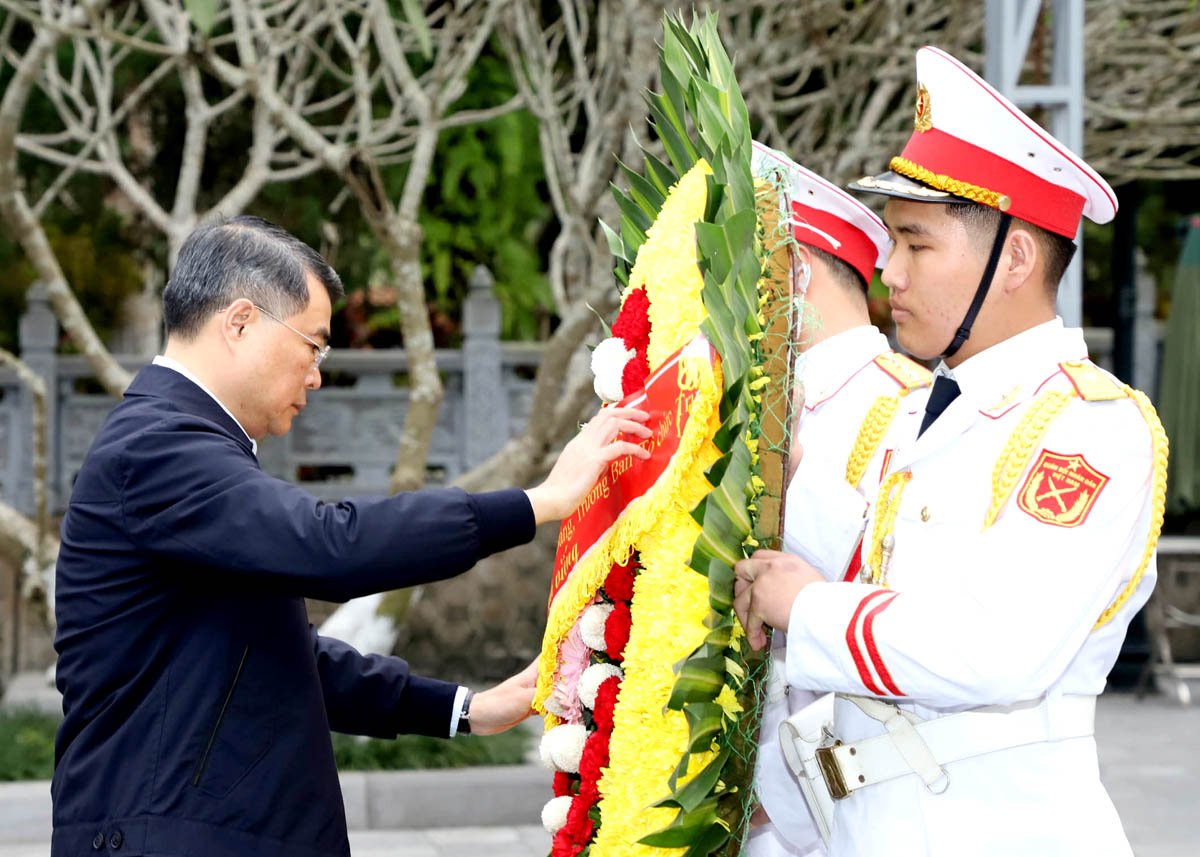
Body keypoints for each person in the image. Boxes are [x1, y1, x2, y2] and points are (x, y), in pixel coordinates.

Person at [51, 215, 652, 857]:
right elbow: (330, 544)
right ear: (241, 322)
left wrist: (465, 708)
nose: (316, 374)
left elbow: (277, 654)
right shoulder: (158, 447)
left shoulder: (186, 446)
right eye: (313, 346)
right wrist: (537, 503)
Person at [734, 47, 1166, 857]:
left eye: (916, 245)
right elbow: (844, 571)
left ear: (1014, 258)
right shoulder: (919, 414)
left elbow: (996, 648)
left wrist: (809, 605)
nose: (888, 272)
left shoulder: (1091, 428)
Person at [746, 142, 931, 857]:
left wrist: (779, 788)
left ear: (793, 271)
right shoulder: (758, 406)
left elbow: (893, 615)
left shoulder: (908, 411)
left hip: (841, 805)